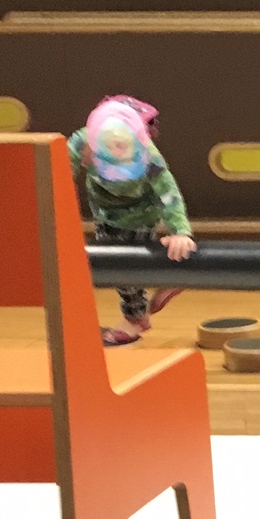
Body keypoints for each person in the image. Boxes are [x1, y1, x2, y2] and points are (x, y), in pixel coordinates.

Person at [68, 94, 196, 346]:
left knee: (124, 266)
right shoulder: (82, 142)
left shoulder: (150, 156)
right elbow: (57, 174)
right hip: (104, 211)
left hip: (141, 214)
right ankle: (171, 274)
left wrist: (180, 232)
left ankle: (135, 318)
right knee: (114, 263)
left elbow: (168, 194)